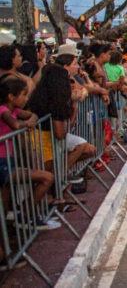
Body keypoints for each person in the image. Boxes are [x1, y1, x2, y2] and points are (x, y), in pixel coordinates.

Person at [0, 76, 59, 231]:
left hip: (10, 160)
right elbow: (16, 125)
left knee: (5, 200)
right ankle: (23, 217)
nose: (26, 98)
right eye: (23, 95)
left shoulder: (15, 110)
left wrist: (31, 119)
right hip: (3, 163)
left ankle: (23, 216)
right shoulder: (3, 110)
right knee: (46, 177)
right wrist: (27, 124)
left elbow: (32, 115)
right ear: (11, 97)